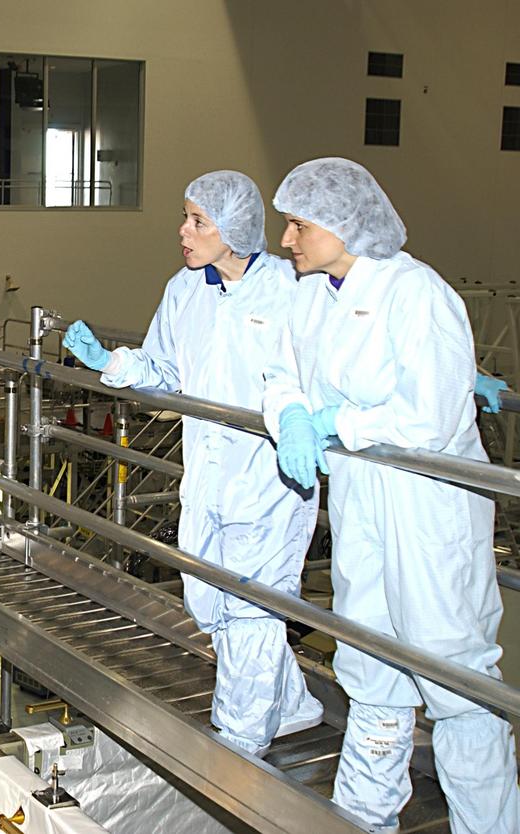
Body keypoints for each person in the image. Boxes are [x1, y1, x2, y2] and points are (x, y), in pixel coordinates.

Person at [263, 157, 519, 833]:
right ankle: (363, 816)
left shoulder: (418, 294)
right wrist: (290, 413)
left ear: (345, 226)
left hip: (427, 506)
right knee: (369, 660)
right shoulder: (310, 293)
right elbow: (282, 372)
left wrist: (337, 422)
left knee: (454, 677)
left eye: (298, 226)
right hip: (362, 500)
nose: (286, 240)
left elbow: (430, 417)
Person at [64, 171, 322, 757]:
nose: (183, 230)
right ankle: (294, 705)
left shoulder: (291, 290)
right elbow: (166, 373)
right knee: (210, 605)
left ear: (232, 230)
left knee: (252, 608)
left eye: (197, 220)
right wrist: (115, 362)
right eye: (186, 217)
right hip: (205, 478)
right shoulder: (184, 290)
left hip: (270, 481)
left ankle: (241, 741)